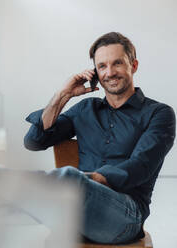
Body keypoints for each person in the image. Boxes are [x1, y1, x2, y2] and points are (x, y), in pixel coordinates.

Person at [24, 32, 176, 244]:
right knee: (15, 185)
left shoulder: (159, 114)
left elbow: (140, 166)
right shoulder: (86, 109)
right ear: (95, 72)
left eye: (117, 64)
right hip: (75, 210)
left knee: (65, 179)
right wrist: (63, 95)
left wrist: (82, 181)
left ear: (134, 65)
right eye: (102, 66)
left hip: (125, 217)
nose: (110, 72)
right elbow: (34, 141)